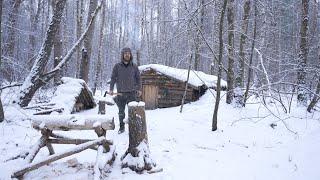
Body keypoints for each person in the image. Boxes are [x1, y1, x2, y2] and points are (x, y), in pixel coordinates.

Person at [109, 47, 142, 134]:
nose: (127, 54)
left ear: (130, 55)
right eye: (125, 53)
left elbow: (138, 79)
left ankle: (133, 128)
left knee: (133, 112)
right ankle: (122, 127)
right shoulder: (117, 66)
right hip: (121, 93)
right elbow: (113, 78)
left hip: (132, 93)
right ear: (122, 55)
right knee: (121, 112)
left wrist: (139, 89)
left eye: (128, 53)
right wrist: (111, 89)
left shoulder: (134, 66)